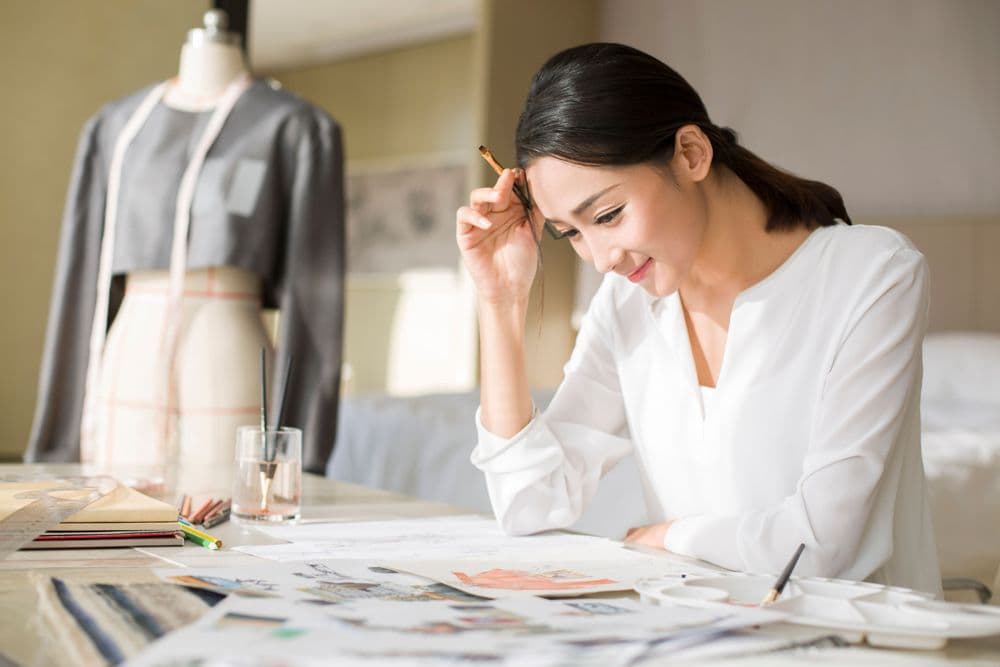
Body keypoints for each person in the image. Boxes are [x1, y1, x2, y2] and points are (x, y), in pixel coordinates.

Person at [455, 43, 941, 595]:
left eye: (608, 215)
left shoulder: (872, 273)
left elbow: (825, 544)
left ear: (690, 153)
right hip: (692, 640)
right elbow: (529, 502)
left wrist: (671, 537)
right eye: (570, 234)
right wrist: (499, 300)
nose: (602, 258)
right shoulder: (626, 305)